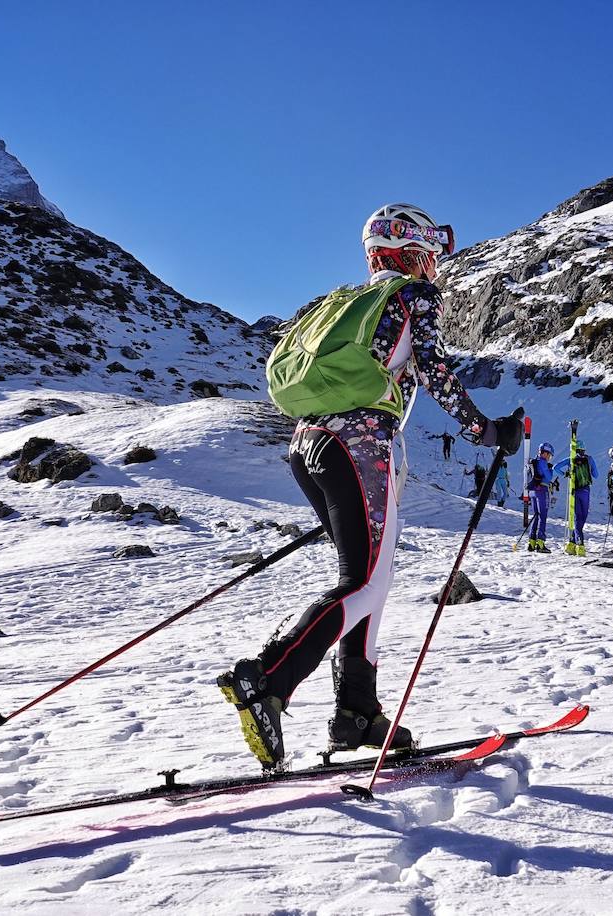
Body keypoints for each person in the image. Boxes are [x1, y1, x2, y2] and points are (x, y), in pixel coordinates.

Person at [220, 203, 523, 769]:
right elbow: (434, 371)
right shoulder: (411, 298)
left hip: (308, 441)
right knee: (364, 580)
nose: (433, 266)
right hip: (360, 444)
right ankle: (269, 678)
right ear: (408, 253)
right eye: (427, 254)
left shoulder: (341, 303)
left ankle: (356, 711)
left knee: (367, 580)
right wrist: (487, 430)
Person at [554, 439, 598, 556]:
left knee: (577, 517)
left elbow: (555, 467)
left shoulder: (571, 460)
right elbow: (596, 475)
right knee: (582, 518)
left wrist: (566, 474)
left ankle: (573, 543)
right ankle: (580, 544)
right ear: (583, 449)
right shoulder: (589, 459)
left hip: (575, 491)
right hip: (586, 491)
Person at [526, 441, 557, 552]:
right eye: (549, 455)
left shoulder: (533, 461)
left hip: (533, 491)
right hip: (542, 490)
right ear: (546, 453)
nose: (549, 458)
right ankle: (540, 543)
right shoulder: (543, 463)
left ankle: (531, 542)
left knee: (536, 515)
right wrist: (551, 470)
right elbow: (548, 477)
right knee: (543, 516)